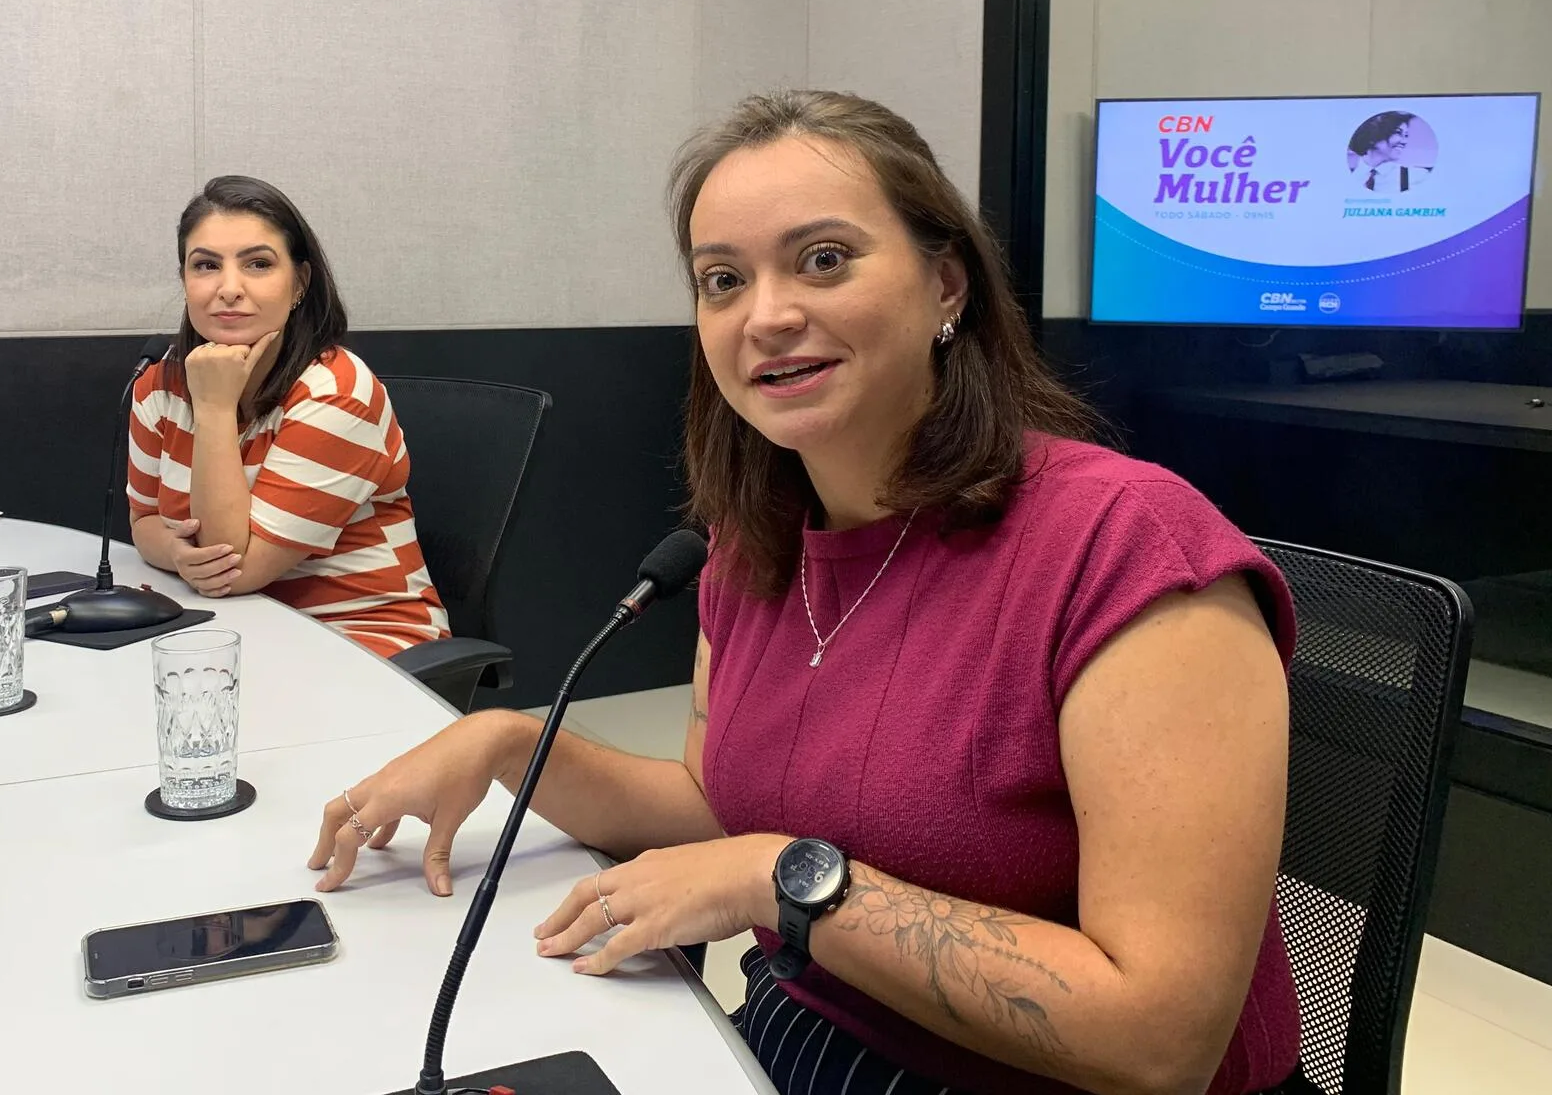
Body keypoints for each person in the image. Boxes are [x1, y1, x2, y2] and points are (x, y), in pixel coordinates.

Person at [308, 92, 1300, 1095]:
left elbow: (1161, 1039)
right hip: (816, 1040)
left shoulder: (1127, 548)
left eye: (824, 259)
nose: (768, 315)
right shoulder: (753, 543)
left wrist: (775, 880)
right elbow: (722, 803)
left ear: (945, 284)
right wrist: (511, 745)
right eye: (723, 280)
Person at [126, 175, 447, 658]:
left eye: (258, 264)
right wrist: (177, 554)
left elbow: (234, 570)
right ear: (184, 281)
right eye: (206, 265)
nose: (228, 288)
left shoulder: (337, 394)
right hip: (234, 631)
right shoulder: (159, 385)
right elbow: (144, 520)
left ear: (299, 282)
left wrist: (213, 407)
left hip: (361, 643)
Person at [1348, 110, 1429, 193]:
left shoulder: (1416, 177)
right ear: (1372, 136)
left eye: (1406, 135)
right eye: (1398, 132)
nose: (1404, 141)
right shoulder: (1346, 176)